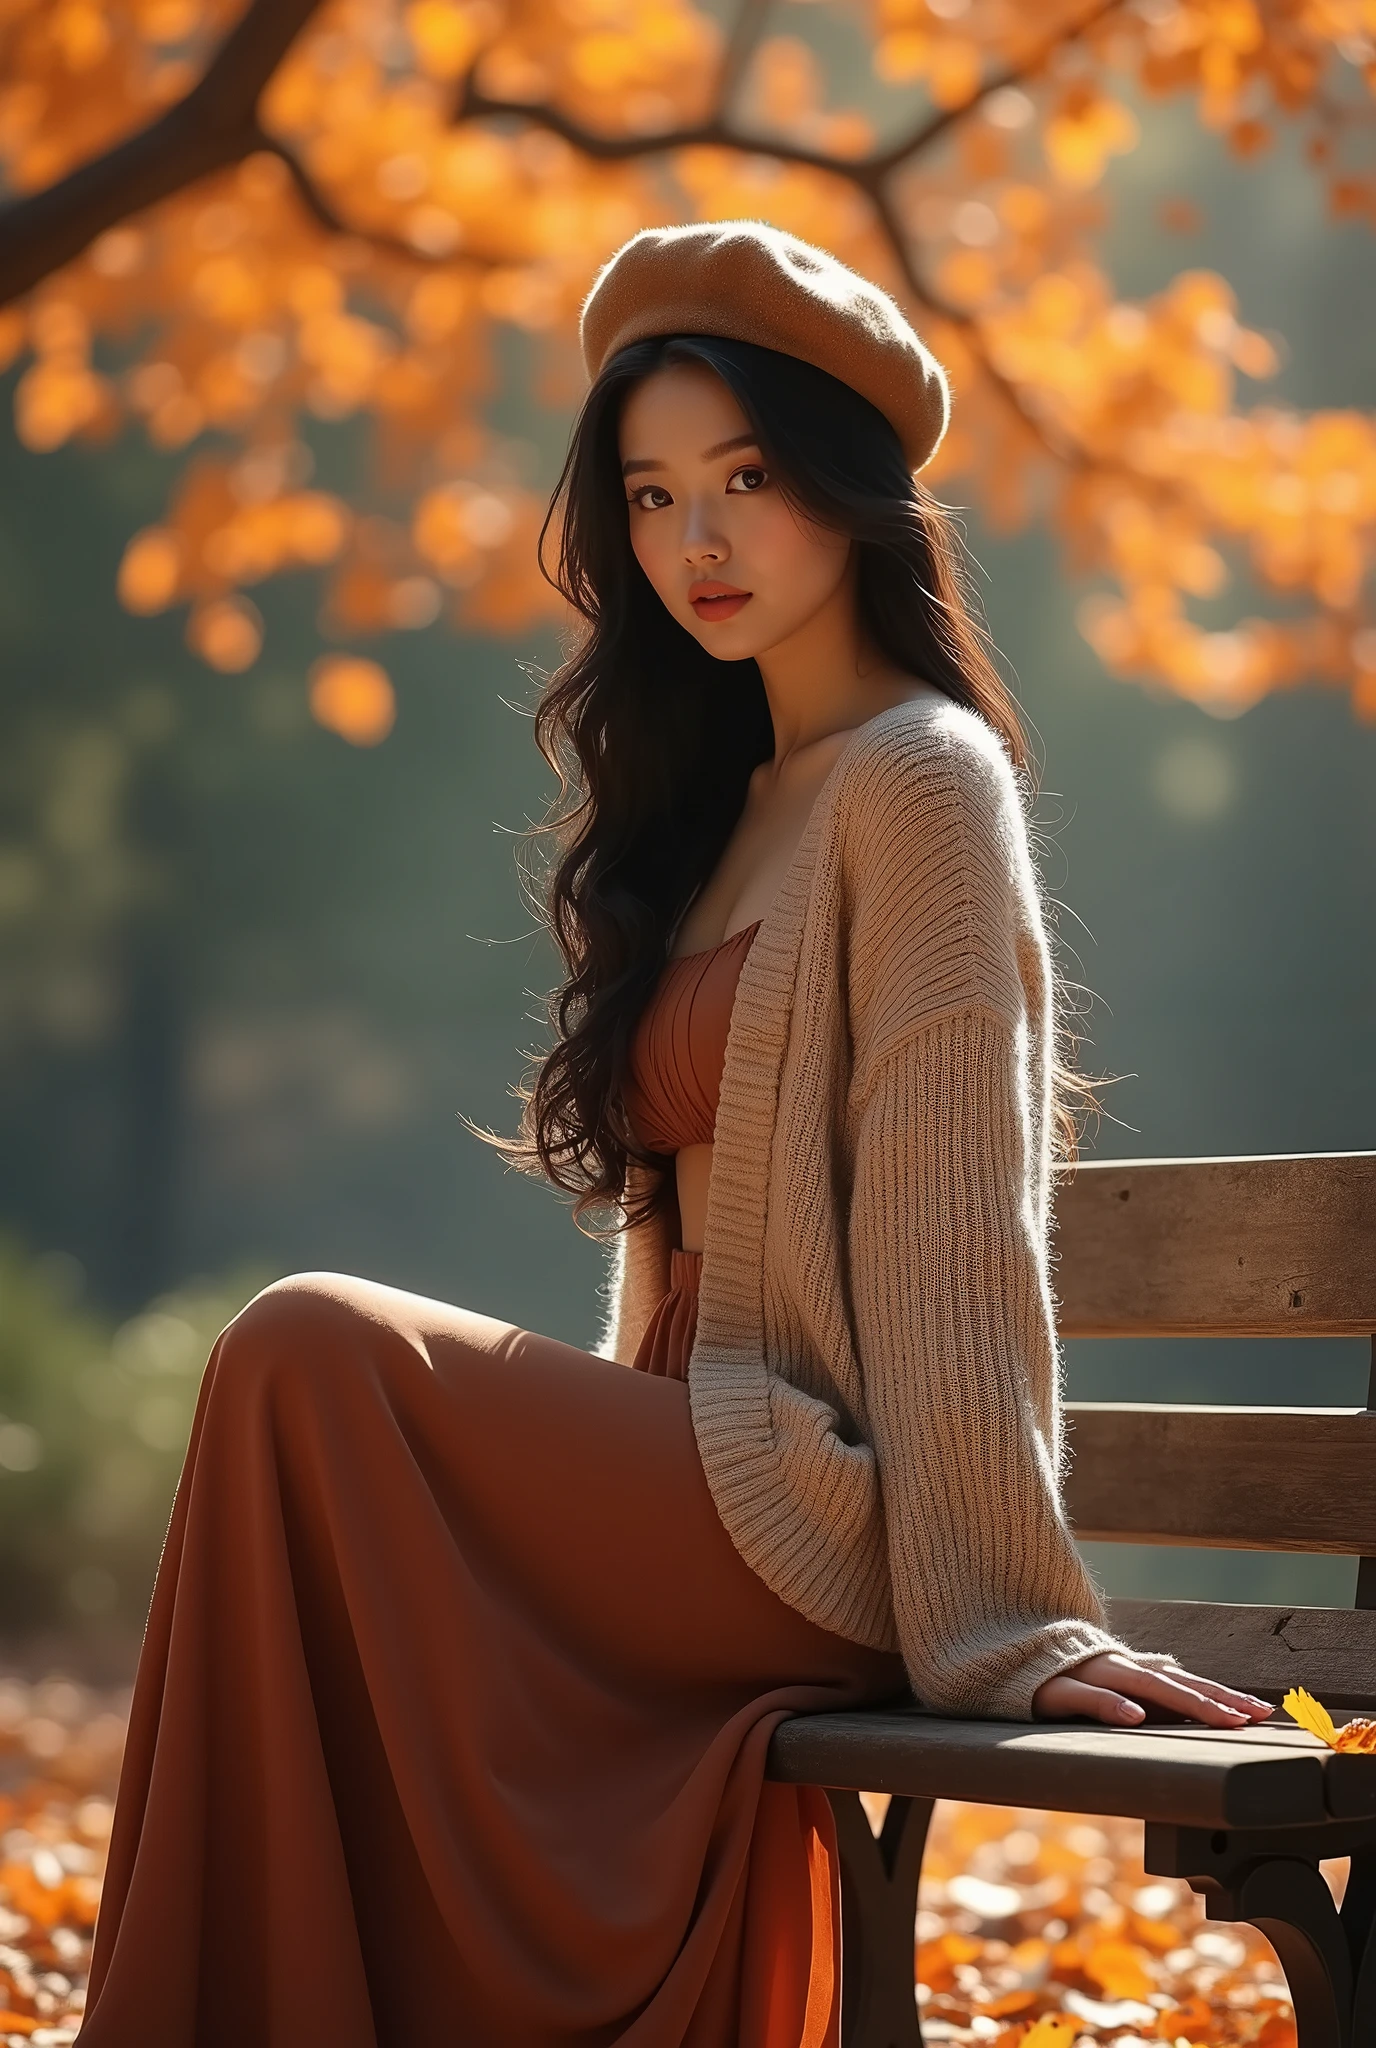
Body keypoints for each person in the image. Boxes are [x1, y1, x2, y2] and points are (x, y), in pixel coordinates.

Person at [75, 222, 1272, 2048]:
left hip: (814, 1518)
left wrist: (1008, 1623)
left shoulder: (925, 783)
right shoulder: (726, 805)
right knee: (289, 1422)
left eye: (747, 479)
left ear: (851, 491)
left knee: (298, 1347)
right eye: (649, 496)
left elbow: (956, 1237)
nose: (695, 542)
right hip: (677, 1460)